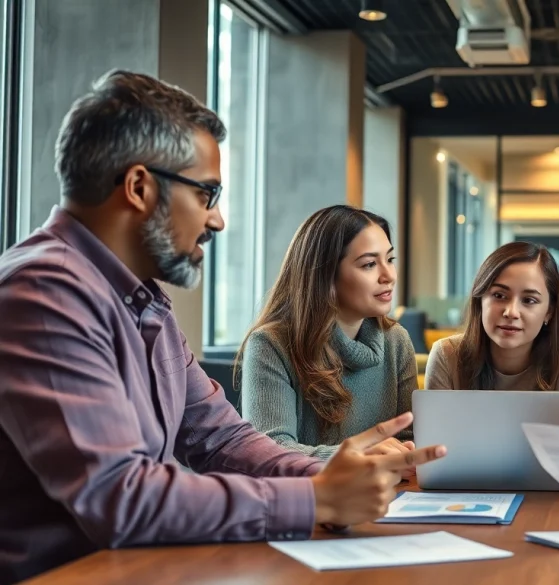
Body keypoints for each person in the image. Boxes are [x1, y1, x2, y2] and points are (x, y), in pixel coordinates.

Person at [0, 71, 443, 584]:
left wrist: (333, 472)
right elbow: (121, 497)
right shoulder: (45, 293)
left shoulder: (144, 302)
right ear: (139, 187)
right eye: (206, 193)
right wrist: (313, 496)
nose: (218, 220)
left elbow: (223, 440)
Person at [239, 205, 418, 464]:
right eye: (369, 264)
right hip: (305, 500)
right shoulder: (270, 344)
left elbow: (408, 439)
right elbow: (270, 452)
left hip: (387, 497)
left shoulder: (396, 341)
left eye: (390, 259)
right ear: (325, 275)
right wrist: (356, 458)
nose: (389, 276)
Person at [424, 241, 559, 392]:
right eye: (499, 296)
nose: (511, 312)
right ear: (480, 301)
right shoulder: (447, 357)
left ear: (550, 311)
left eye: (529, 300)